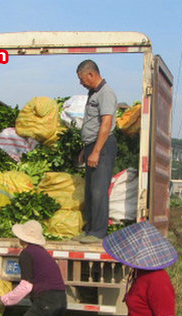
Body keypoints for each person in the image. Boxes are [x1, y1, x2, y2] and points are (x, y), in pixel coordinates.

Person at [75, 59, 118, 244]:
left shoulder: (106, 93)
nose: (80, 82)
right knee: (90, 191)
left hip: (103, 145)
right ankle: (90, 230)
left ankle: (99, 233)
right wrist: (87, 149)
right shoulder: (94, 93)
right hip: (92, 145)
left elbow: (106, 124)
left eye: (82, 78)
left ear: (91, 74)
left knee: (99, 190)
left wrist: (96, 151)